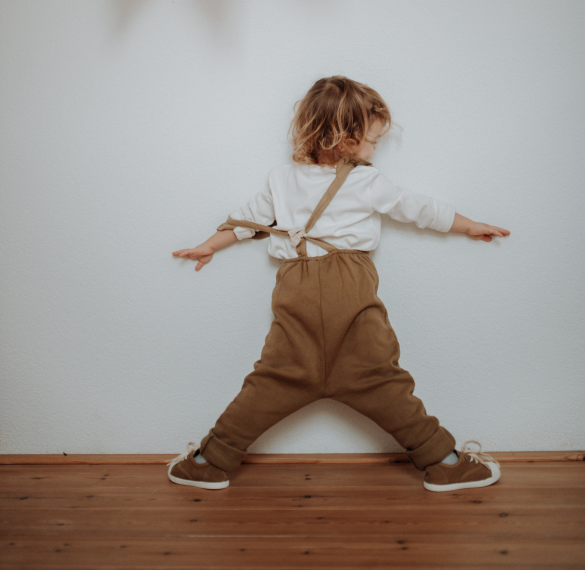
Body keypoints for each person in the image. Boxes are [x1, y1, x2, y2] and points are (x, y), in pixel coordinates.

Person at [169, 76, 510, 492]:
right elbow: (417, 209)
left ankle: (208, 461)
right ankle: (445, 462)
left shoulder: (282, 179)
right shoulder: (366, 180)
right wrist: (468, 225)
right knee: (379, 376)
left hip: (294, 283)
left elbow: (244, 221)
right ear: (345, 139)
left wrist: (209, 246)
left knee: (275, 377)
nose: (373, 150)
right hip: (349, 282)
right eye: (372, 141)